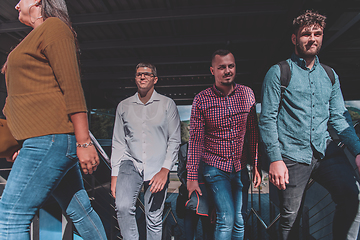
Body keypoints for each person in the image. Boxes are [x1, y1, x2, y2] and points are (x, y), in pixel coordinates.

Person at [0, 0, 107, 239]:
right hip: (42, 141)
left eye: (21, 0)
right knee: (81, 211)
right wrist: (16, 142)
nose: (16, 5)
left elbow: (71, 87)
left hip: (49, 140)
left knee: (11, 215)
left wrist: (84, 142)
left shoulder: (54, 28)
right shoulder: (33, 37)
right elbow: (22, 98)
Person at [259, 10, 360, 240]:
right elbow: (267, 119)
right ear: (295, 38)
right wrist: (275, 159)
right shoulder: (279, 72)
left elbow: (338, 117)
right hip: (292, 155)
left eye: (317, 33)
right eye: (306, 34)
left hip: (325, 151)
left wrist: (357, 151)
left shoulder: (330, 75)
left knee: (351, 198)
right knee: (290, 218)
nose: (312, 38)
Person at [186, 49, 261, 239]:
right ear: (212, 70)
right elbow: (195, 140)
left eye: (231, 66)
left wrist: (256, 166)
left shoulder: (247, 94)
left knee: (239, 219)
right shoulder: (201, 100)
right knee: (226, 218)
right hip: (214, 167)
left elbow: (253, 133)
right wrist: (191, 177)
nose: (227, 71)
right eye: (222, 67)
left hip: (239, 167)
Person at [110, 62, 181, 240]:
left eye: (147, 74)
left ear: (155, 79)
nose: (142, 76)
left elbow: (174, 139)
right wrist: (114, 175)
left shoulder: (167, 104)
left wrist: (165, 170)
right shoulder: (123, 106)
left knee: (154, 217)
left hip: (158, 167)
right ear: (135, 79)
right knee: (123, 207)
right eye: (139, 74)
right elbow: (118, 142)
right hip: (130, 163)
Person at [177, 142, 214, 240]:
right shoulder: (185, 148)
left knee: (202, 232)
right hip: (197, 197)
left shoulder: (186, 147)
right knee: (206, 232)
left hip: (200, 198)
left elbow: (180, 172)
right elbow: (181, 172)